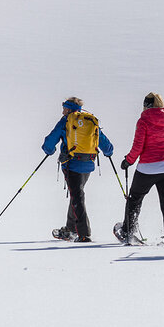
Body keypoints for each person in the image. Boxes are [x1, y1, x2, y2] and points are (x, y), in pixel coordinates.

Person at [42, 97, 114, 242]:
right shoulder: (89, 120)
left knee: (77, 197)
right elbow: (106, 145)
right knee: (76, 194)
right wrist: (108, 152)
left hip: (71, 164)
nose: (62, 111)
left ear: (69, 109)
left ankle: (83, 234)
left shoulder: (66, 121)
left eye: (64, 109)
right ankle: (70, 229)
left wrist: (48, 150)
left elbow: (50, 141)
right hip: (88, 164)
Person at [117, 92, 164, 246]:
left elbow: (138, 146)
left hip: (147, 168)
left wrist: (128, 161)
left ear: (146, 105)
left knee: (134, 199)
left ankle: (127, 231)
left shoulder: (143, 121)